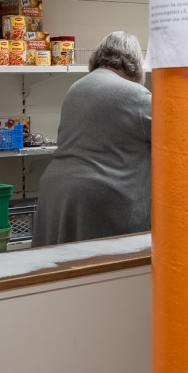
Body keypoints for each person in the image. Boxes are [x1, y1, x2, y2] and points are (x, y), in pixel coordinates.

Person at [33, 31, 152, 247]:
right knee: (104, 267)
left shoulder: (76, 88)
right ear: (135, 63)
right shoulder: (137, 96)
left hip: (56, 194)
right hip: (98, 199)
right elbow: (177, 138)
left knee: (62, 264)